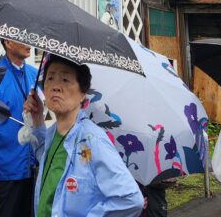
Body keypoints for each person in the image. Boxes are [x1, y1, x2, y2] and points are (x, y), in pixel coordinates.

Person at [24, 55, 144, 217]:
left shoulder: (92, 140)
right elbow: (49, 161)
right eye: (50, 78)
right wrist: (37, 119)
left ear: (83, 93)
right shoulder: (53, 132)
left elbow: (131, 199)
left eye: (65, 79)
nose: (56, 86)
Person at [0, 39, 39, 217]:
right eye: (22, 39)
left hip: (32, 166)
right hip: (6, 166)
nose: (28, 43)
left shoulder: (35, 74)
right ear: (8, 43)